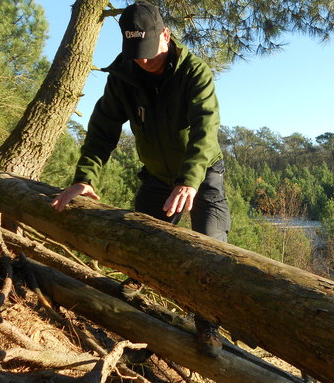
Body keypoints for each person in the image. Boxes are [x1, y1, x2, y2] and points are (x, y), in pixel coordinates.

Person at [51, 0, 230, 358]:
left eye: (150, 52)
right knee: (142, 245)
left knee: (210, 246)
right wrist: (84, 177)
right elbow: (102, 131)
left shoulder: (194, 72)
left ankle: (208, 326)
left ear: (165, 35)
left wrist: (190, 180)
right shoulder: (124, 77)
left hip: (202, 175)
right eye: (137, 54)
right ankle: (140, 324)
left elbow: (204, 131)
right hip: (156, 178)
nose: (145, 61)